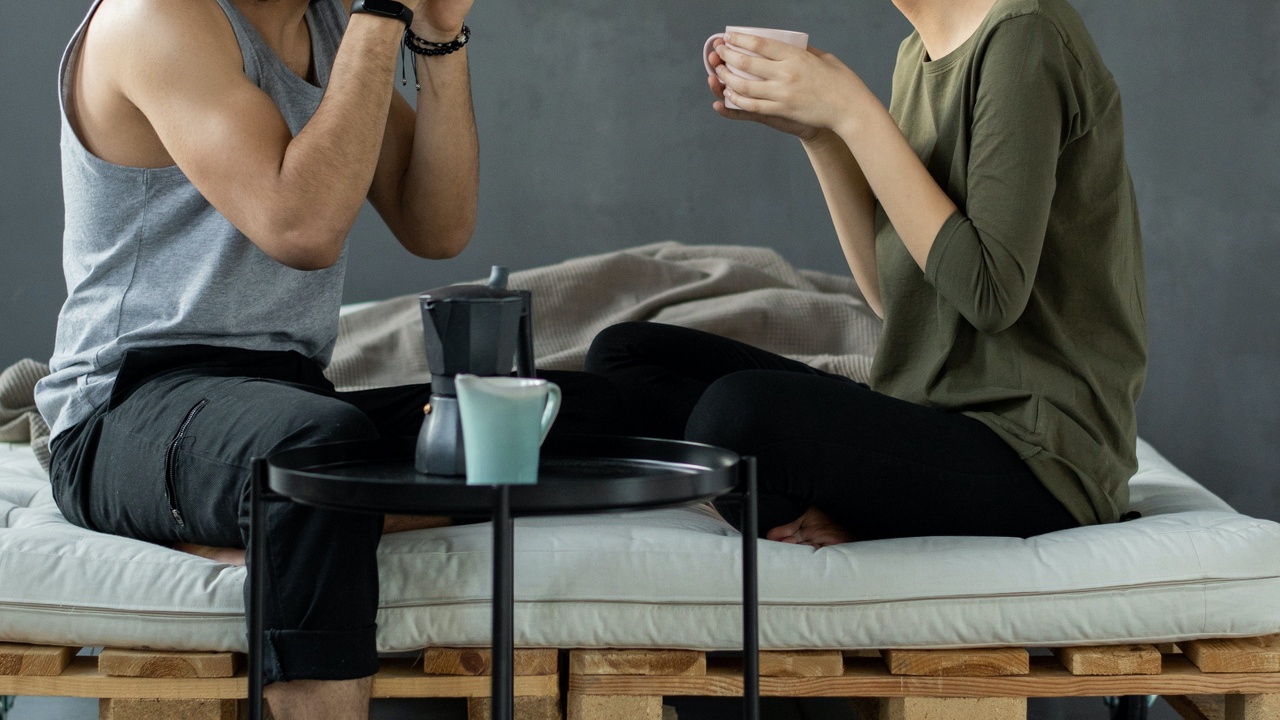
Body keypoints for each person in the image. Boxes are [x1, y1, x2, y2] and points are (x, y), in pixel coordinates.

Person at [34, 0, 613, 717]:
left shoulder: (328, 28)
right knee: (313, 457)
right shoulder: (157, 17)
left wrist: (437, 35)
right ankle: (284, 526)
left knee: (573, 414)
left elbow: (438, 225)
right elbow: (301, 226)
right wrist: (384, 13)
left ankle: (272, 520)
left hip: (286, 397)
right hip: (128, 406)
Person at [585, 0, 1147, 548]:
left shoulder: (1027, 34)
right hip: (929, 414)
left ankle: (846, 508)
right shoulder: (916, 54)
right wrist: (821, 132)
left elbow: (990, 293)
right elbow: (894, 297)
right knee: (625, 356)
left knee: (736, 417)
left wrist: (852, 110)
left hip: (1036, 458)